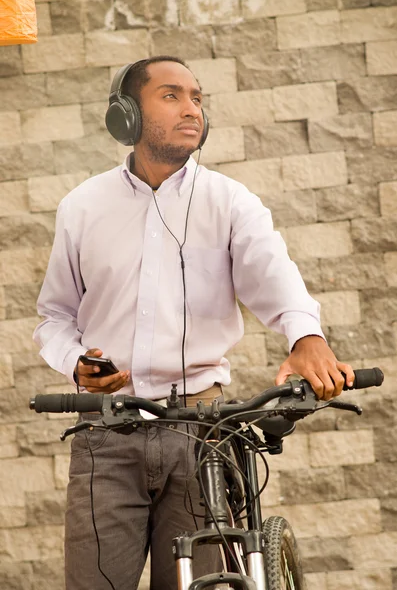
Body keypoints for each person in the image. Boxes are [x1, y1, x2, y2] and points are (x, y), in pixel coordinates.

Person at [33, 55, 354, 590]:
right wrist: (77, 364)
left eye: (198, 98)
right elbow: (55, 317)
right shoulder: (81, 207)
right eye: (172, 96)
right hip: (107, 435)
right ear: (127, 116)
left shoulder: (230, 202)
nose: (191, 110)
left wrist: (307, 338)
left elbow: (277, 279)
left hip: (204, 433)